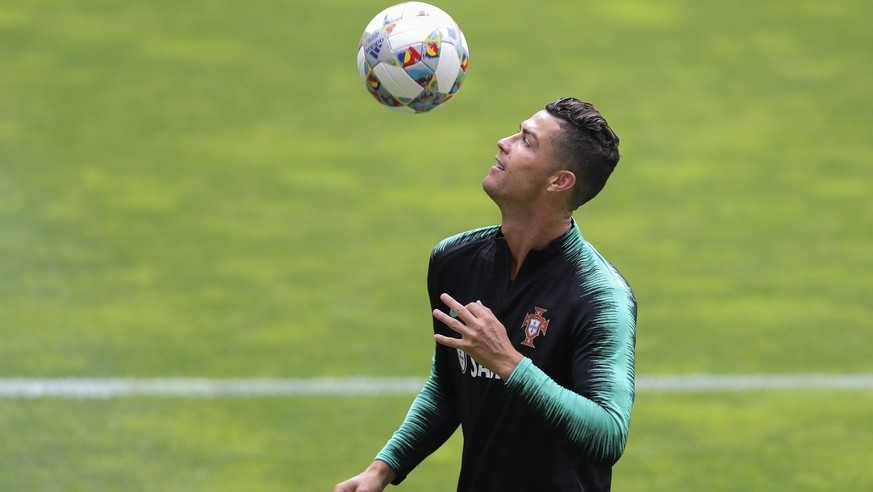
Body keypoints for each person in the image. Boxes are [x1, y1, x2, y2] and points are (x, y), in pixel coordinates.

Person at [335, 97, 637, 492]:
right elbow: (449, 386)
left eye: (527, 141)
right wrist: (383, 468)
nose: (503, 142)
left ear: (559, 181)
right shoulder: (455, 261)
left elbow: (609, 433)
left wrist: (509, 362)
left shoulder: (599, 296)